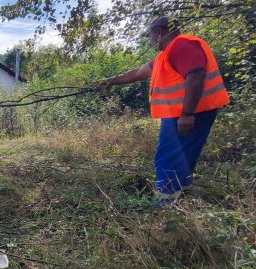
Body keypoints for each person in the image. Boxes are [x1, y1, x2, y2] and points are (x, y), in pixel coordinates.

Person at [98, 16, 230, 206]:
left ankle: (165, 203)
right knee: (183, 156)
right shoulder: (165, 55)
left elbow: (196, 76)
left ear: (159, 31)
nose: (148, 40)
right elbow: (136, 73)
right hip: (184, 114)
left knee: (167, 157)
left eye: (149, 34)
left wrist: (187, 114)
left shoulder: (181, 45)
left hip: (187, 114)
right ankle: (181, 195)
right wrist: (109, 81)